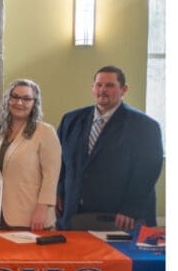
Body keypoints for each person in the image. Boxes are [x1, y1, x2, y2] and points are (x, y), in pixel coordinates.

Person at [56, 65, 164, 231]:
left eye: (110, 85)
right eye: (99, 85)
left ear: (124, 89)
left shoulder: (145, 126)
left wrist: (130, 209)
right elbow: (59, 162)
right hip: (73, 212)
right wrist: (57, 192)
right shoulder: (71, 120)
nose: (103, 90)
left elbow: (147, 172)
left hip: (120, 216)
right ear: (92, 88)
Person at [0, 79, 61, 231]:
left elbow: (51, 176)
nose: (19, 102)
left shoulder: (45, 132)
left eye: (26, 98)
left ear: (35, 103)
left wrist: (42, 210)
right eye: (14, 97)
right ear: (7, 100)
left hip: (31, 216)